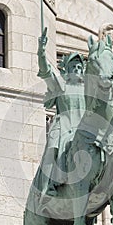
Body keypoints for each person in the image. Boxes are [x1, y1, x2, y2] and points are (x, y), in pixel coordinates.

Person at [27, 28, 86, 210]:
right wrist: (41, 51)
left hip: (82, 131)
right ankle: (49, 187)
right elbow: (46, 72)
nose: (76, 69)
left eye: (78, 67)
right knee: (54, 147)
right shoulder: (61, 85)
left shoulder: (87, 91)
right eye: (72, 67)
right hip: (63, 127)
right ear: (66, 70)